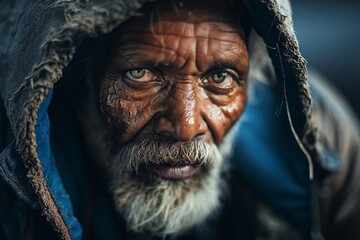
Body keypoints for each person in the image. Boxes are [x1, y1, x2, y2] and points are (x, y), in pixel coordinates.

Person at [0, 0, 359, 239]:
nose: (186, 127)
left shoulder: (321, 140)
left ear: (252, 82)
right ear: (76, 76)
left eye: (219, 78)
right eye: (140, 74)